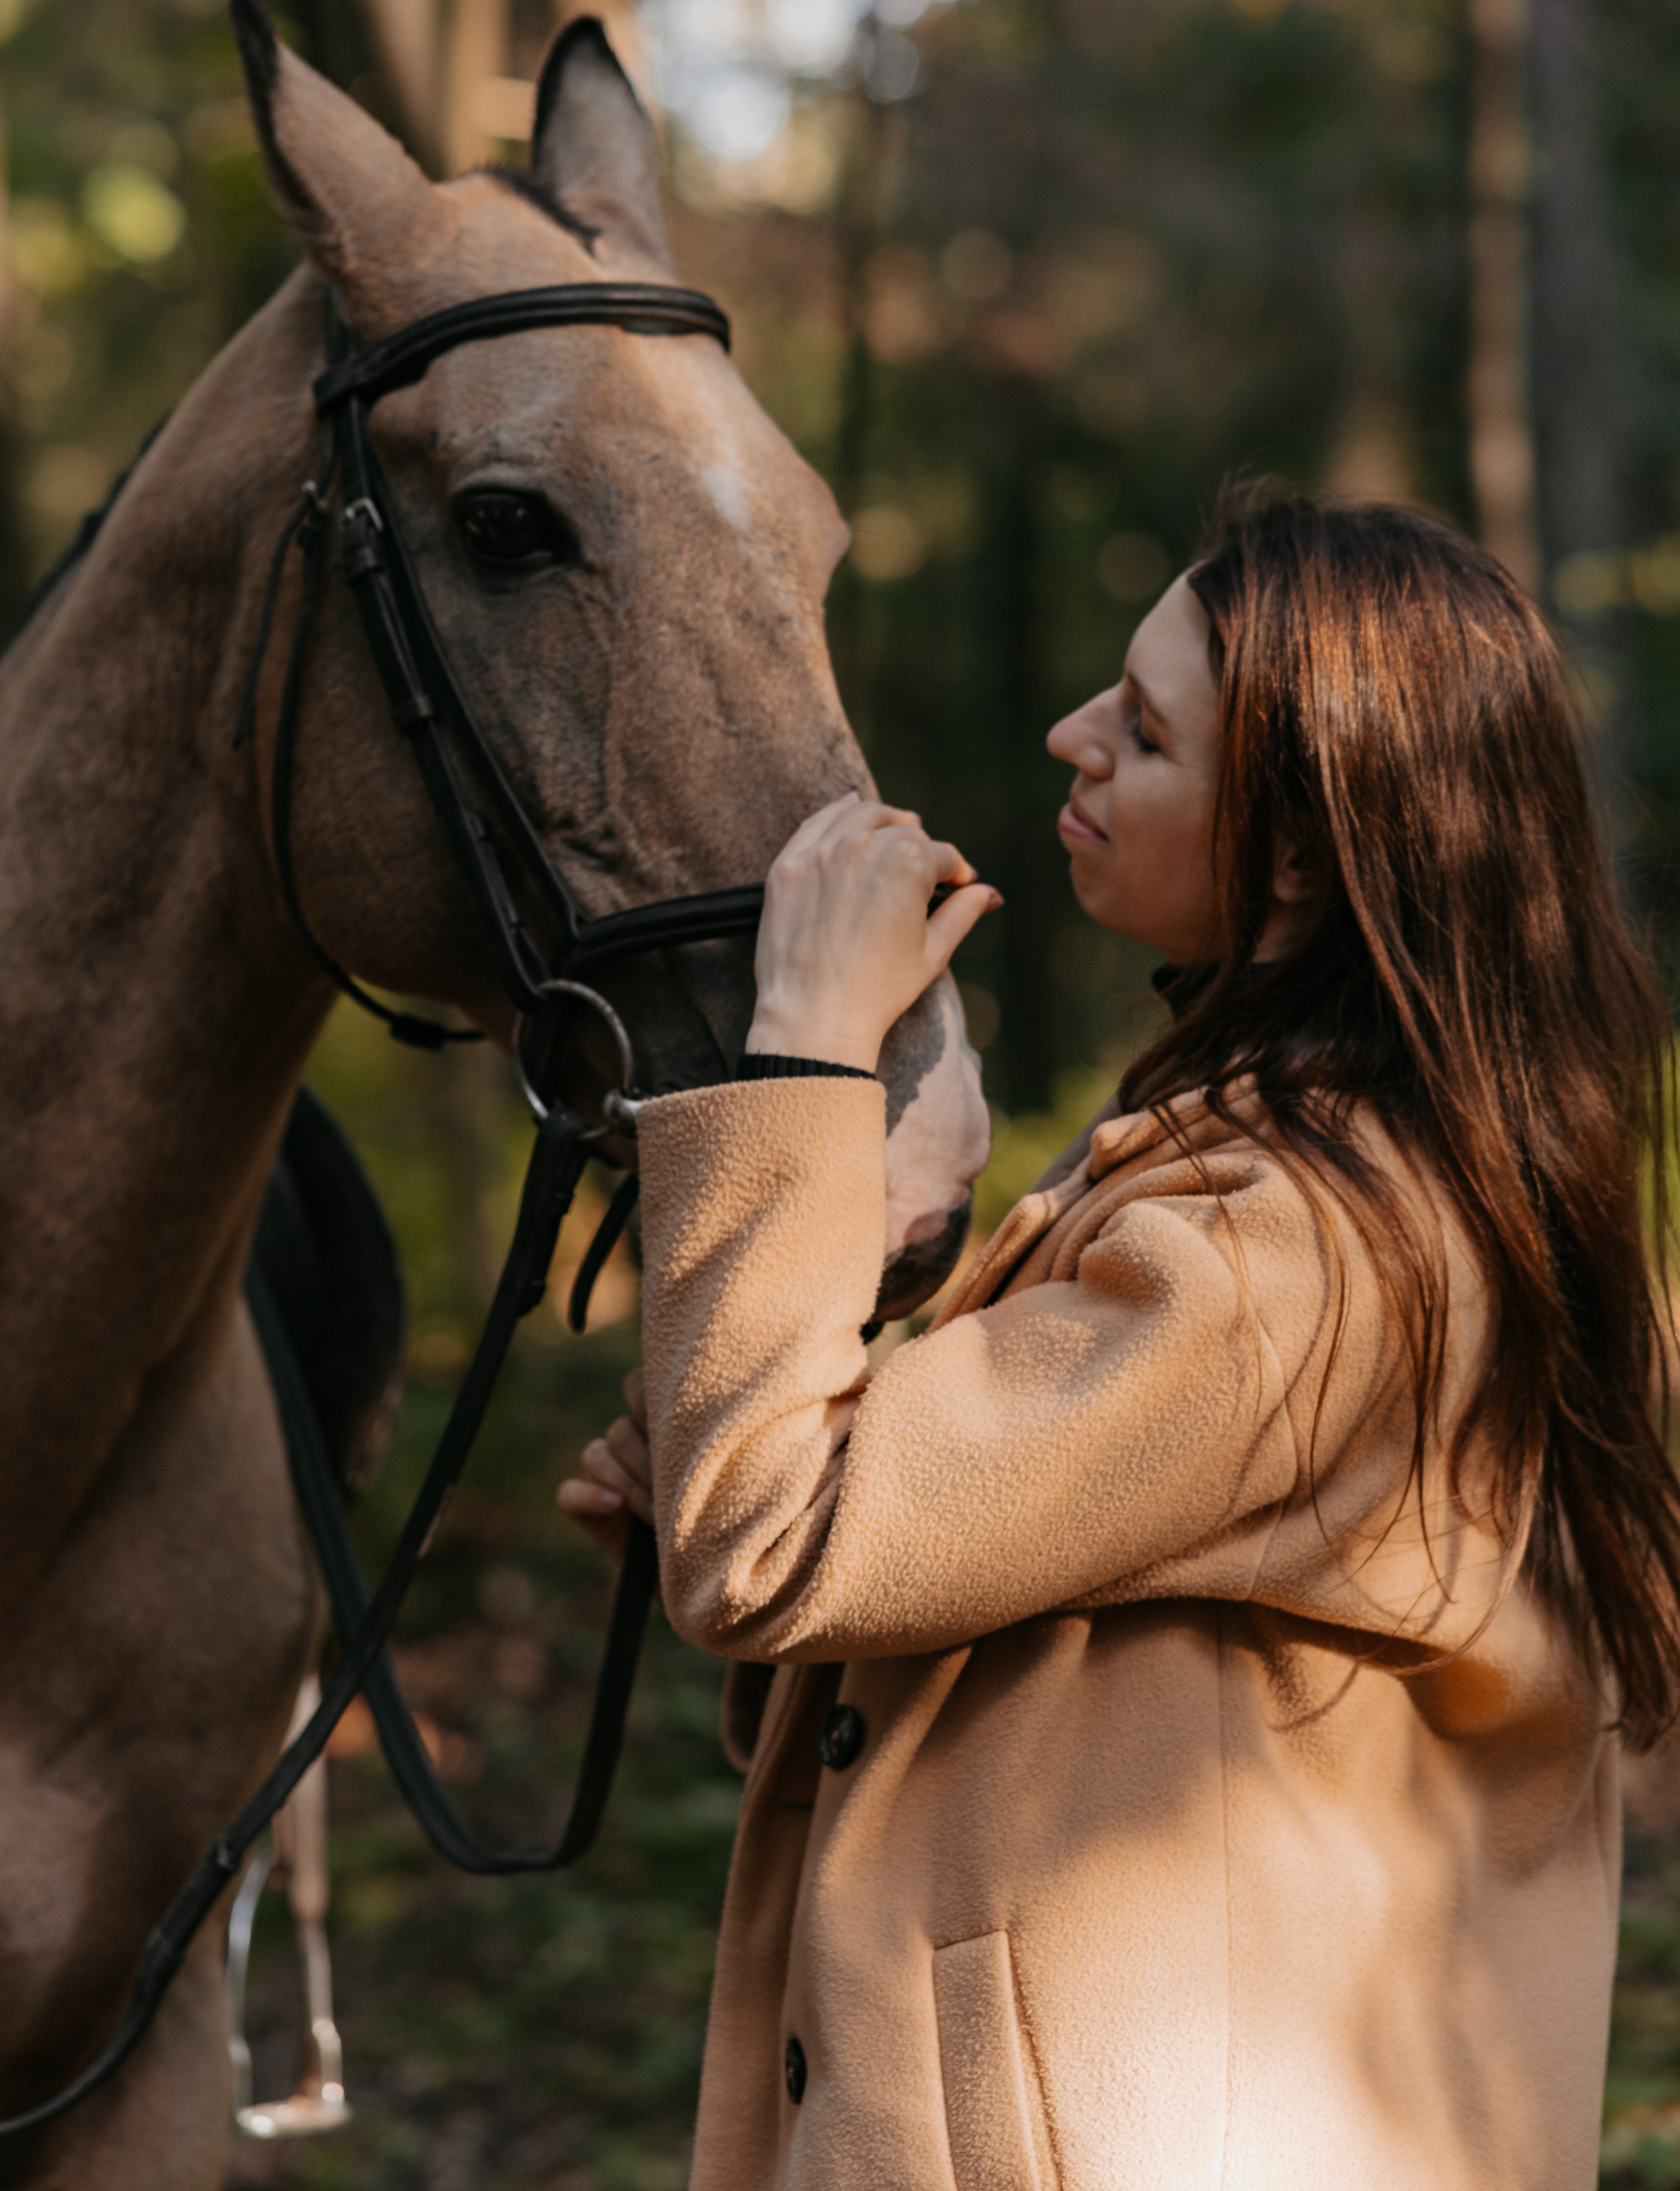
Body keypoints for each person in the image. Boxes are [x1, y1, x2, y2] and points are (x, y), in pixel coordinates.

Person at [557, 487, 1680, 2191]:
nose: (1076, 735)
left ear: (1300, 851)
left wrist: (801, 1047)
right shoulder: (1338, 1173)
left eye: (1146, 732)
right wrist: (803, 1369)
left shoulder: (1292, 1250)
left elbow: (773, 1546)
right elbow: (1004, 1605)